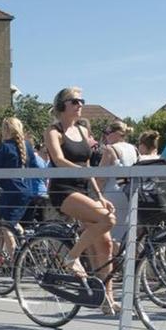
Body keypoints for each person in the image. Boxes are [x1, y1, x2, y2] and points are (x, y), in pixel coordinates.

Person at [41, 89, 117, 300]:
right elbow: (57, 159)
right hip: (63, 189)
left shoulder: (83, 130)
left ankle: (107, 298)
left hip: (85, 188)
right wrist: (82, 172)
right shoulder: (53, 131)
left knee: (105, 243)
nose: (80, 104)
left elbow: (87, 164)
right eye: (75, 101)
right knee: (106, 219)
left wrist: (100, 195)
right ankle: (72, 256)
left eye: (82, 101)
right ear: (62, 105)